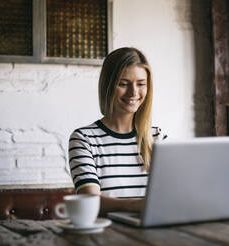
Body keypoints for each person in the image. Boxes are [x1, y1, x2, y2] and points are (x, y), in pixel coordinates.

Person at [68, 47, 166, 215]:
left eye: (141, 84)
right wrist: (137, 205)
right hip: (106, 235)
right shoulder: (84, 139)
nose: (133, 93)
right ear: (108, 85)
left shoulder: (157, 137)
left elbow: (171, 195)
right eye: (123, 84)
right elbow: (90, 201)